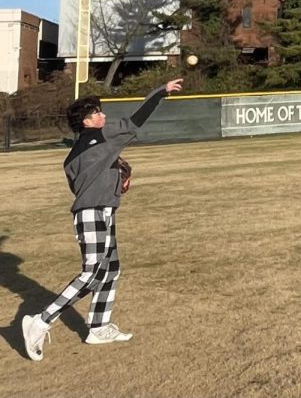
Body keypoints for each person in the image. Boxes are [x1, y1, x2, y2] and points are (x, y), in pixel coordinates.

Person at [21, 78, 183, 361]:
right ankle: (41, 321)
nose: (103, 115)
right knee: (92, 273)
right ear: (86, 121)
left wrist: (113, 177)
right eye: (97, 112)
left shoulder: (72, 155)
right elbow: (135, 121)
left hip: (101, 211)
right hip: (93, 213)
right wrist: (161, 92)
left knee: (111, 269)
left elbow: (80, 184)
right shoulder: (103, 138)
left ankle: (98, 327)